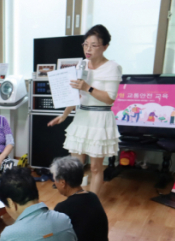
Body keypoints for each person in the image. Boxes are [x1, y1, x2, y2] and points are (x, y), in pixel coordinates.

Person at [47, 24, 122, 196]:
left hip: (100, 118)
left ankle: (92, 203)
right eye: (85, 44)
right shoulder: (82, 64)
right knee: (75, 165)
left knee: (96, 167)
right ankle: (77, 200)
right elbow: (75, 93)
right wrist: (64, 115)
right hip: (82, 116)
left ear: (105, 47)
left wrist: (87, 87)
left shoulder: (113, 67)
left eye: (94, 45)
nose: (88, 49)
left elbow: (110, 98)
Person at [50, 156, 109, 241]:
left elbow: (53, 237)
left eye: (55, 181)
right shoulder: (93, 196)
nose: (54, 184)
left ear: (62, 182)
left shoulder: (63, 207)